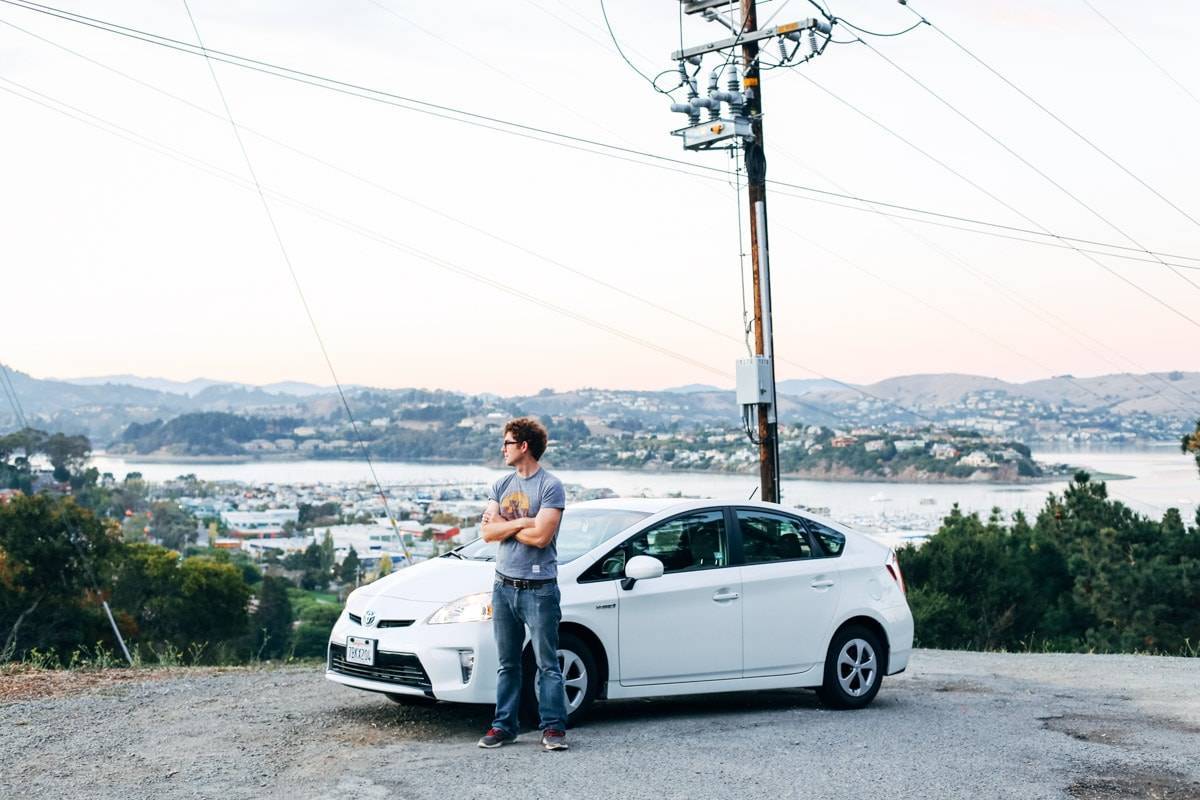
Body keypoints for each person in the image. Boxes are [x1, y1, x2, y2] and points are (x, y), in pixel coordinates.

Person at [476, 417, 569, 751]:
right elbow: (487, 533)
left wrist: (508, 523)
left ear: (524, 446)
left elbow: (543, 537)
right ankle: (504, 726)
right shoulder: (501, 485)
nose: (502, 449)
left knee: (547, 663)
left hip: (540, 588)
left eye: (507, 443)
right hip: (503, 587)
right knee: (508, 663)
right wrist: (525, 521)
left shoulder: (550, 486)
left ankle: (553, 728)